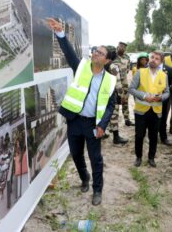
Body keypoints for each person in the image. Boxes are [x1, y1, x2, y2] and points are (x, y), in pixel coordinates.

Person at [46, 18, 116, 206]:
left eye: (100, 53)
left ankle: (97, 190)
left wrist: (102, 125)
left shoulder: (110, 81)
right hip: (75, 120)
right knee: (76, 154)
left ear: (107, 59)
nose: (95, 54)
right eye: (95, 51)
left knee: (96, 159)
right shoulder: (82, 67)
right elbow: (69, 53)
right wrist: (60, 33)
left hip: (93, 124)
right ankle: (84, 178)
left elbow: (110, 106)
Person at [129, 50, 170, 167]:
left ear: (161, 62)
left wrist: (161, 97)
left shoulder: (164, 75)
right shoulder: (140, 72)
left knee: (153, 136)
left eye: (157, 58)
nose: (153, 60)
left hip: (156, 112)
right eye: (152, 57)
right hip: (141, 110)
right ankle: (138, 157)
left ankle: (151, 158)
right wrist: (144, 96)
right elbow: (131, 88)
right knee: (139, 135)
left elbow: (167, 92)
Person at [105, 47, 129, 145]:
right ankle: (116, 137)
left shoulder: (101, 65)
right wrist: (121, 95)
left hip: (102, 94)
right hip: (111, 95)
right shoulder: (113, 66)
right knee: (114, 115)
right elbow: (117, 83)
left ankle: (103, 133)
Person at [113, 42, 135, 126]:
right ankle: (113, 123)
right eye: (121, 46)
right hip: (114, 83)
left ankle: (127, 120)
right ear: (117, 46)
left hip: (124, 82)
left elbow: (127, 70)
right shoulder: (113, 56)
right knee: (115, 103)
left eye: (124, 47)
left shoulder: (127, 57)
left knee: (125, 101)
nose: (122, 48)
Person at [159, 58, 172, 146]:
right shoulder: (148, 68)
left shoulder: (168, 69)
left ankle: (163, 137)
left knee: (164, 117)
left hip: (164, 97)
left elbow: (170, 82)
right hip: (151, 97)